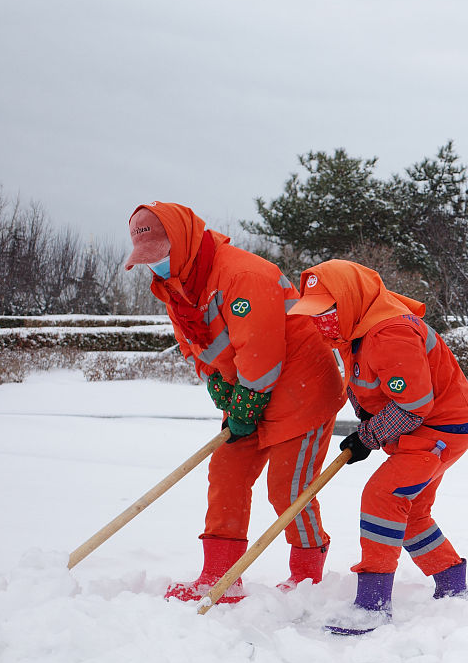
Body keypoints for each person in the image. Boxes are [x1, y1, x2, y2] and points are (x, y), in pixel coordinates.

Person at [124, 203, 344, 603]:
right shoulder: (176, 286)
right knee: (226, 473)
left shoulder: (242, 275)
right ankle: (218, 576)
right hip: (248, 388)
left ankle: (307, 580)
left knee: (288, 489)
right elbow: (195, 344)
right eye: (147, 259)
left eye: (160, 254)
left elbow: (260, 348)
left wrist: (247, 399)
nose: (155, 266)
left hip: (301, 388)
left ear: (183, 242)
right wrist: (215, 382)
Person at [286, 260, 468, 635]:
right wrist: (367, 425)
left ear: (348, 301)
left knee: (383, 496)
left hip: (440, 428)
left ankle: (372, 605)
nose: (320, 320)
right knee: (408, 513)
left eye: (326, 310)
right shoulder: (354, 329)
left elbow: (414, 404)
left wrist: (368, 437)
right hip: (423, 427)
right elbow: (368, 385)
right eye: (314, 312)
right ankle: (452, 585)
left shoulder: (390, 333)